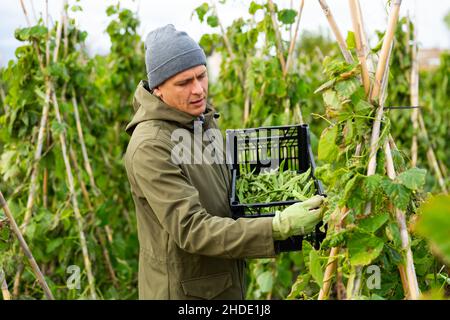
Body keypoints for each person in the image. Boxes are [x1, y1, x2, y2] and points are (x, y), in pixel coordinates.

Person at [124, 24, 325, 300]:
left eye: (201, 76)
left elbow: (224, 187)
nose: (198, 90)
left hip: (220, 282)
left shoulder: (200, 122)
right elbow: (192, 229)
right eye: (184, 82)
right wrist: (276, 226)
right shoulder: (152, 146)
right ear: (158, 89)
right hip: (186, 292)